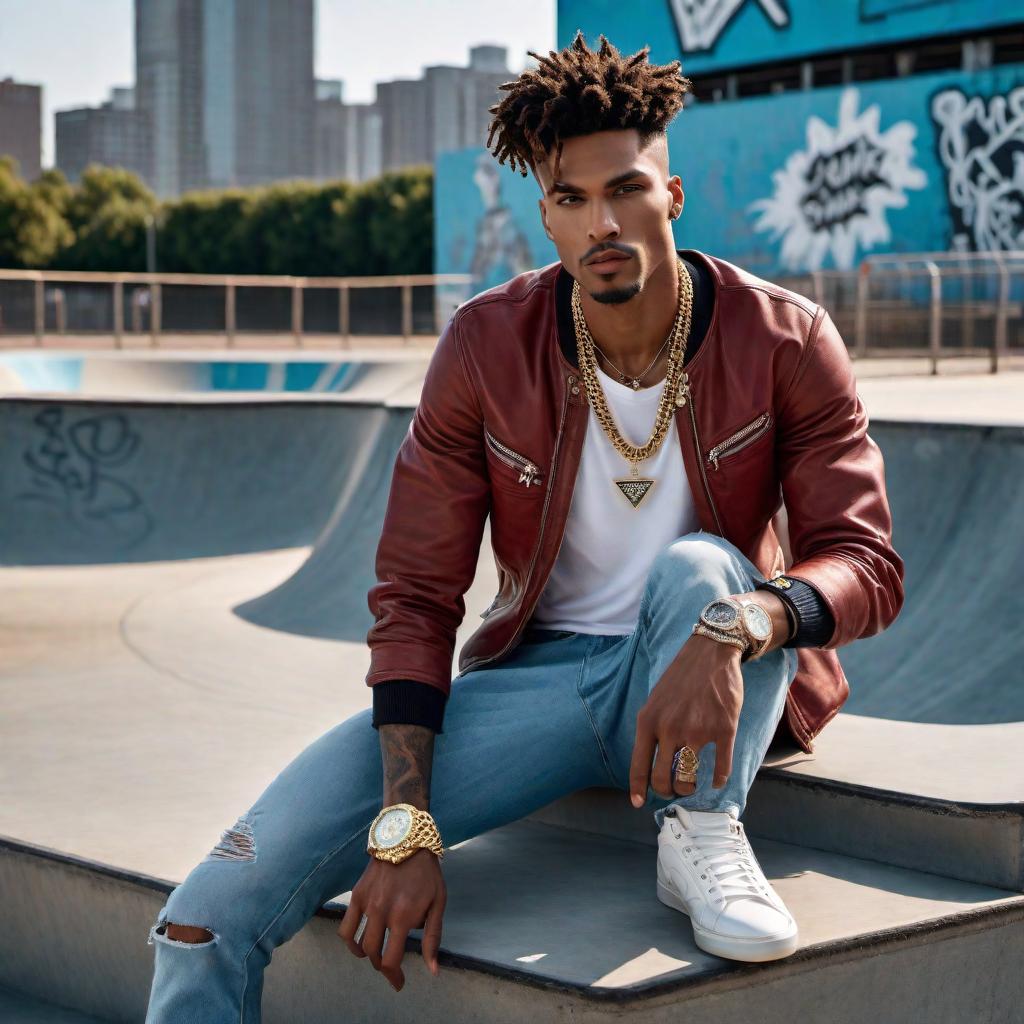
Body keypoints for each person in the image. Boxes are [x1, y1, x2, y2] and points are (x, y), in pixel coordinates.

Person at [143, 32, 903, 1019]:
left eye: (627, 189)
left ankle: (701, 826)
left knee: (698, 568)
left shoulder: (784, 337)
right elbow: (416, 593)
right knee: (207, 911)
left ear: (672, 196)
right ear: (543, 212)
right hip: (540, 685)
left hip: (706, 663)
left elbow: (863, 560)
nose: (603, 224)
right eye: (571, 199)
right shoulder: (483, 346)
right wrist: (406, 821)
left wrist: (741, 624)